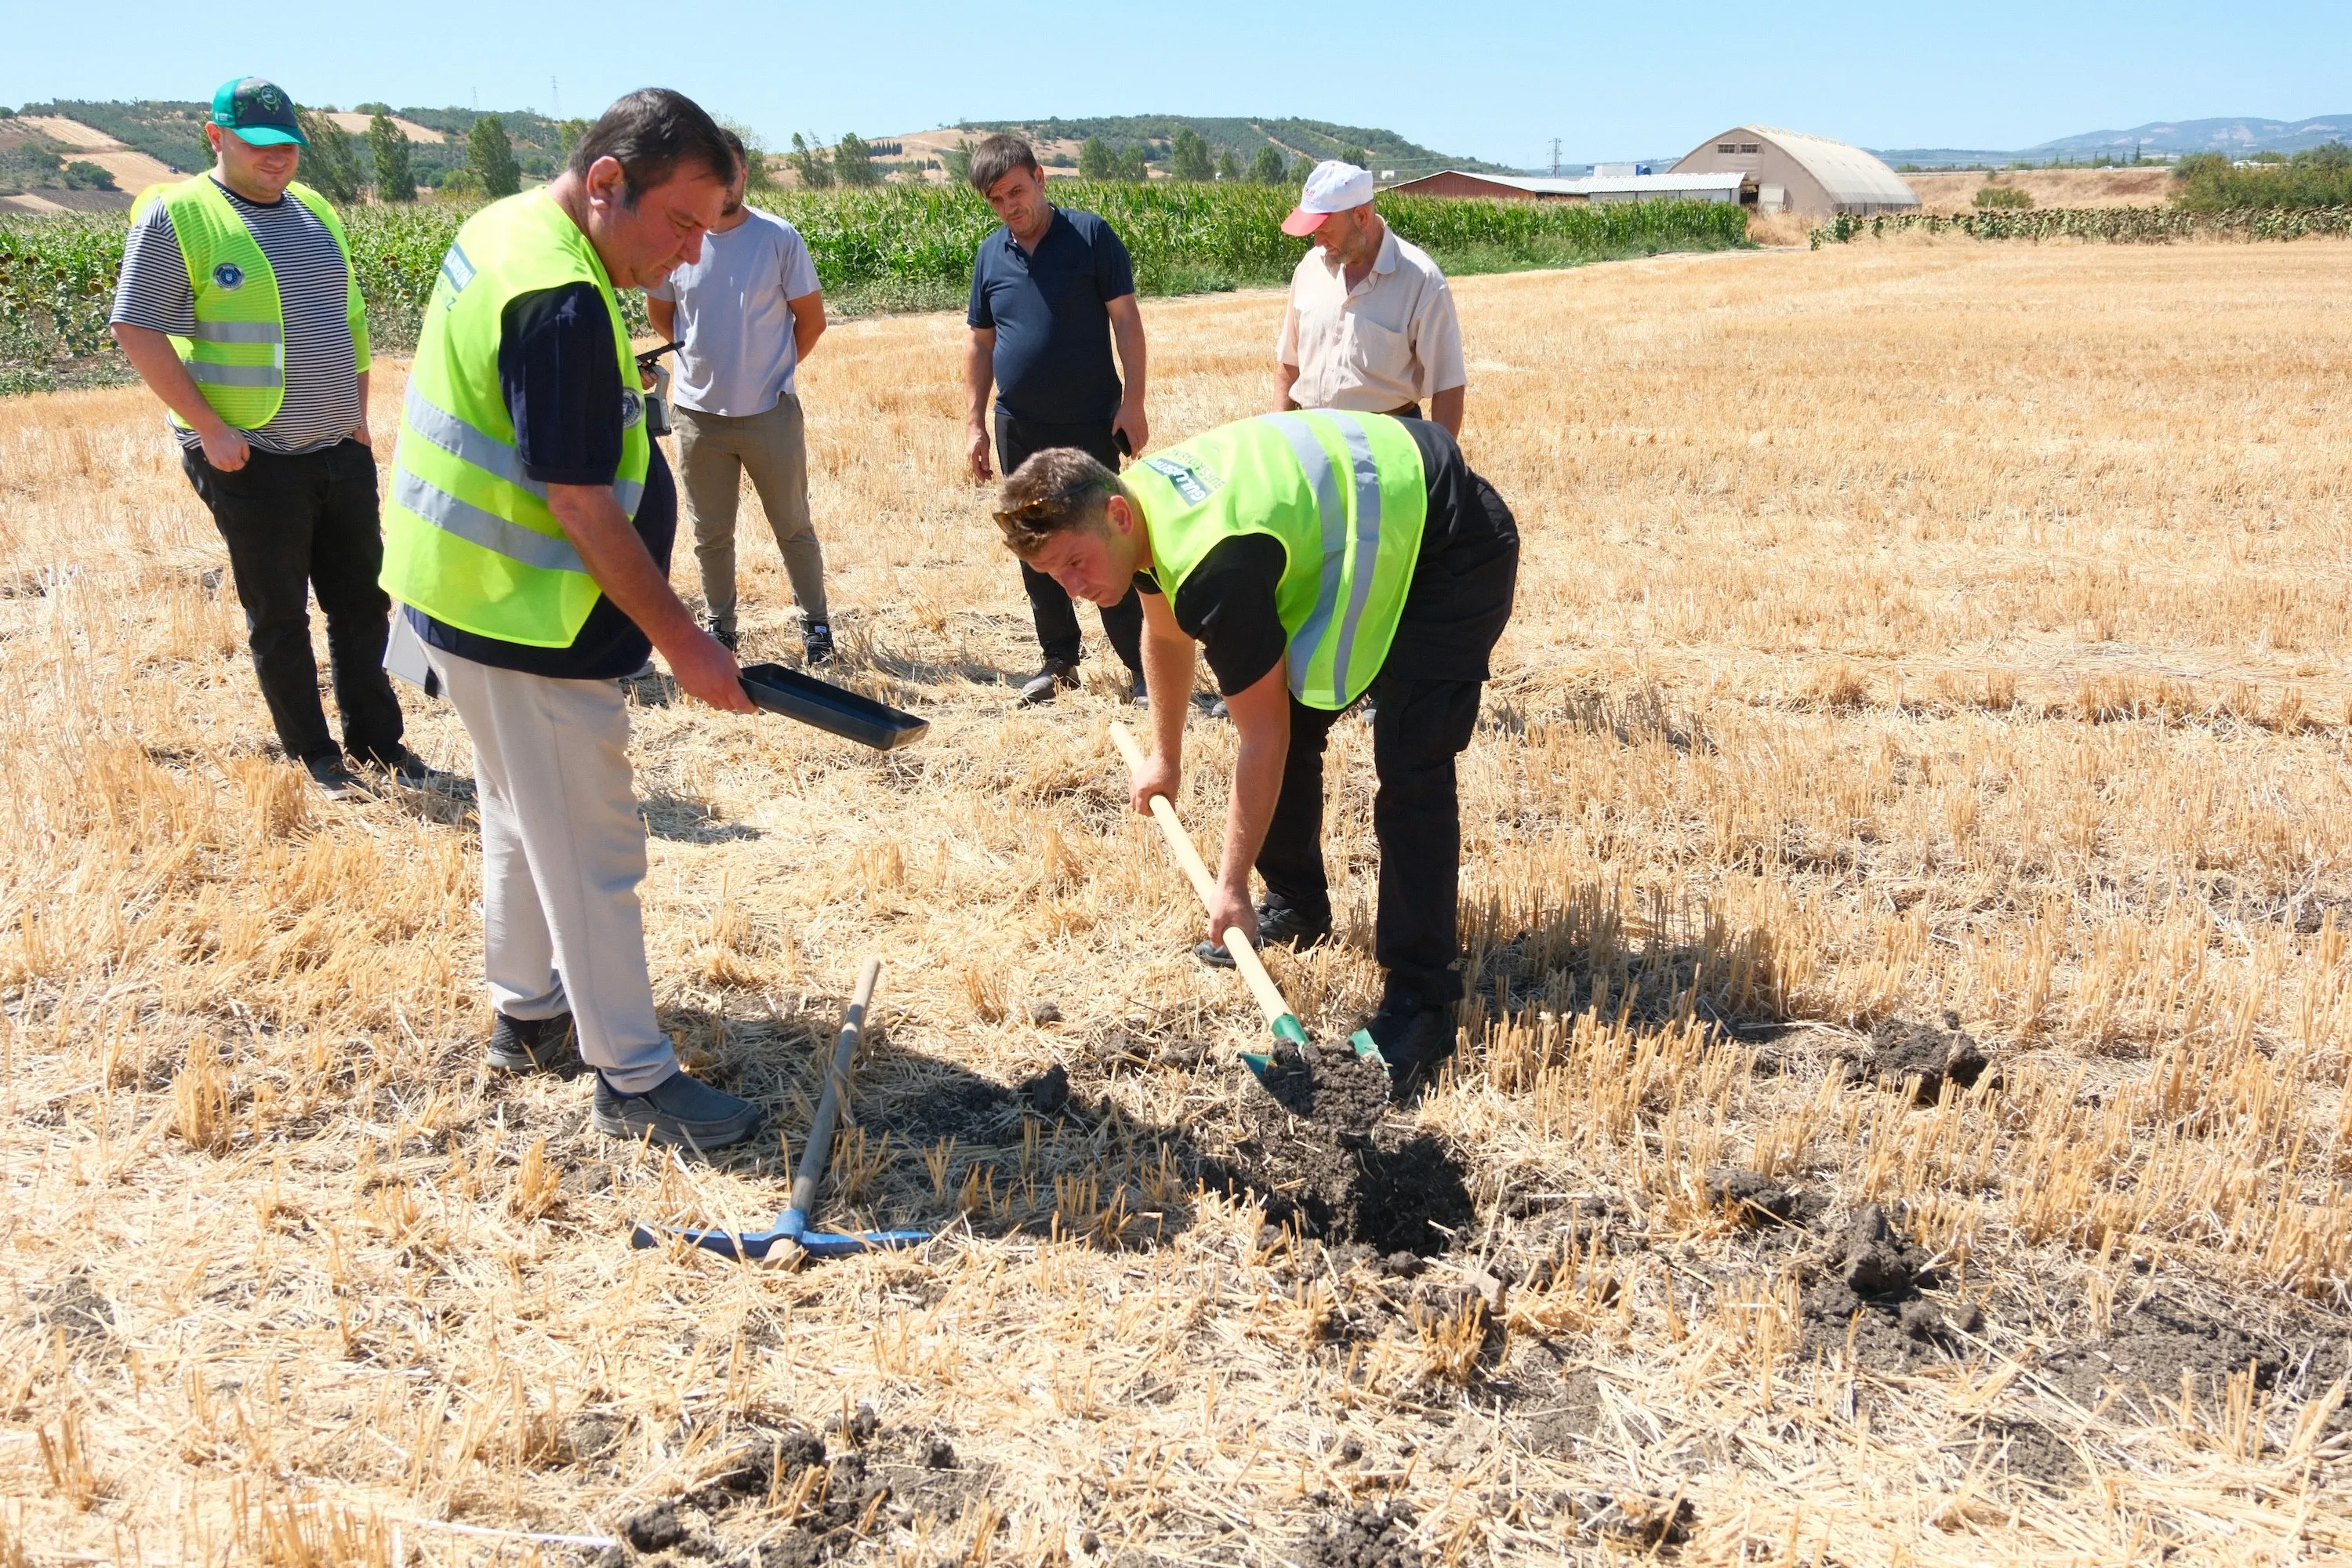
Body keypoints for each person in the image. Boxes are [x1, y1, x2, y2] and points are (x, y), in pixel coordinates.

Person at [377, 89, 763, 1149]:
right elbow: (580, 502)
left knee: (515, 811)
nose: (687, 256)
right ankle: (633, 1078)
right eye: (681, 222)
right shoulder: (558, 296)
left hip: (458, 595)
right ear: (606, 184)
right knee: (592, 850)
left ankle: (529, 1010)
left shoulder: (507, 228)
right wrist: (685, 639)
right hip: (528, 617)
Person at [994, 411, 1518, 1098]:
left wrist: (1230, 884)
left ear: (1115, 515)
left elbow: (1260, 737)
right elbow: (1164, 631)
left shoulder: (1217, 561)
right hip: (1380, 513)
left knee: (1411, 767)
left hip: (1450, 542)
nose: (1074, 589)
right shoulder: (1141, 509)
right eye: (1052, 575)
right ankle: (1299, 902)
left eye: (1073, 564)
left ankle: (1422, 1004)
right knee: (1295, 720)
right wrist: (1165, 757)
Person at [111, 74, 426, 800]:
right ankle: (313, 757)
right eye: (257, 144)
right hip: (250, 456)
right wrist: (210, 429)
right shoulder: (180, 217)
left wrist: (358, 418)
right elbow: (136, 326)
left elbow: (347, 321)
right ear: (216, 137)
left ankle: (379, 744)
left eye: (287, 144)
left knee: (361, 603)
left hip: (337, 449)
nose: (276, 157)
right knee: (279, 614)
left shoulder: (316, 211)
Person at [963, 133, 1152, 705]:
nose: (1009, 207)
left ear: (1041, 177)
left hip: (1089, 424)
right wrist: (974, 421)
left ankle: (1142, 668)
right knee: (1032, 541)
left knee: (1106, 539)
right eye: (996, 200)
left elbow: (1127, 321)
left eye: (1016, 191)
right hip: (1019, 424)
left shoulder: (1091, 236)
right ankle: (1059, 660)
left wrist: (1135, 400)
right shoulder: (990, 255)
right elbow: (980, 344)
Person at [645, 130, 833, 664]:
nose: (721, 185)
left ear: (744, 174)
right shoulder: (680, 242)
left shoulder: (778, 238)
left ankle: (816, 626)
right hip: (697, 417)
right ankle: (721, 628)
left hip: (768, 412)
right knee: (710, 533)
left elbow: (811, 320)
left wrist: (774, 372)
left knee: (794, 526)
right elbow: (662, 314)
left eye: (728, 172)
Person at [1276, 162, 1466, 435]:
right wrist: (1279, 439)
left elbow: (1448, 385)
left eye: (1325, 230)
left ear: (1361, 217)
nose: (1317, 242)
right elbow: (1288, 362)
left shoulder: (1422, 281)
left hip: (1386, 449)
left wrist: (1439, 465)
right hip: (1312, 442)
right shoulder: (1309, 268)